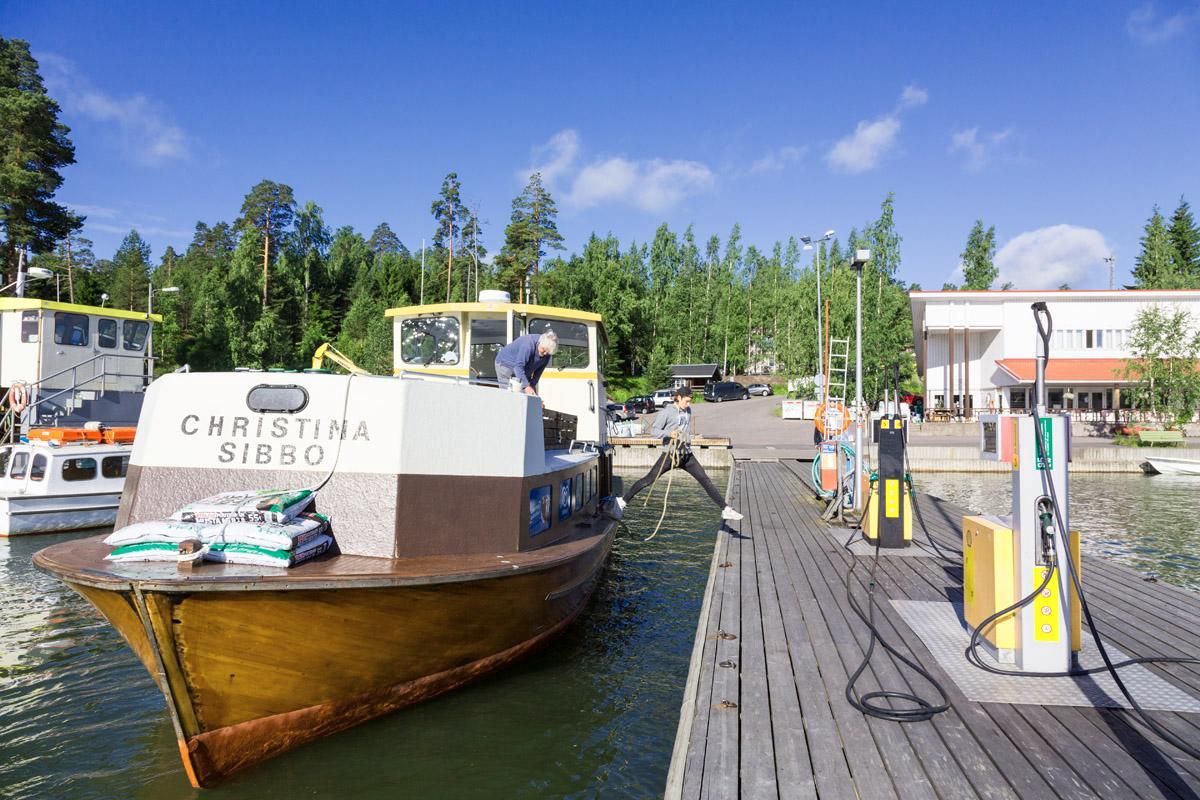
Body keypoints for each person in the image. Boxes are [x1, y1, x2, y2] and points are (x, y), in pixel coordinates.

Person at [619, 387, 743, 521]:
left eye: (690, 402)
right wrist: (669, 433)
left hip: (686, 455)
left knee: (705, 480)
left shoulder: (688, 410)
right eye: (686, 401)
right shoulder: (666, 412)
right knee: (649, 480)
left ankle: (725, 509)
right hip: (670, 455)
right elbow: (654, 431)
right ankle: (623, 502)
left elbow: (686, 430)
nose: (688, 404)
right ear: (678, 398)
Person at [495, 331, 558, 395]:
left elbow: (538, 374)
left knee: (528, 394)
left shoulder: (547, 352)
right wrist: (527, 387)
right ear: (540, 343)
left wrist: (532, 386)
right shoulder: (528, 344)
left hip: (523, 368)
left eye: (547, 352)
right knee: (510, 394)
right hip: (505, 364)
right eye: (544, 350)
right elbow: (518, 367)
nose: (545, 354)